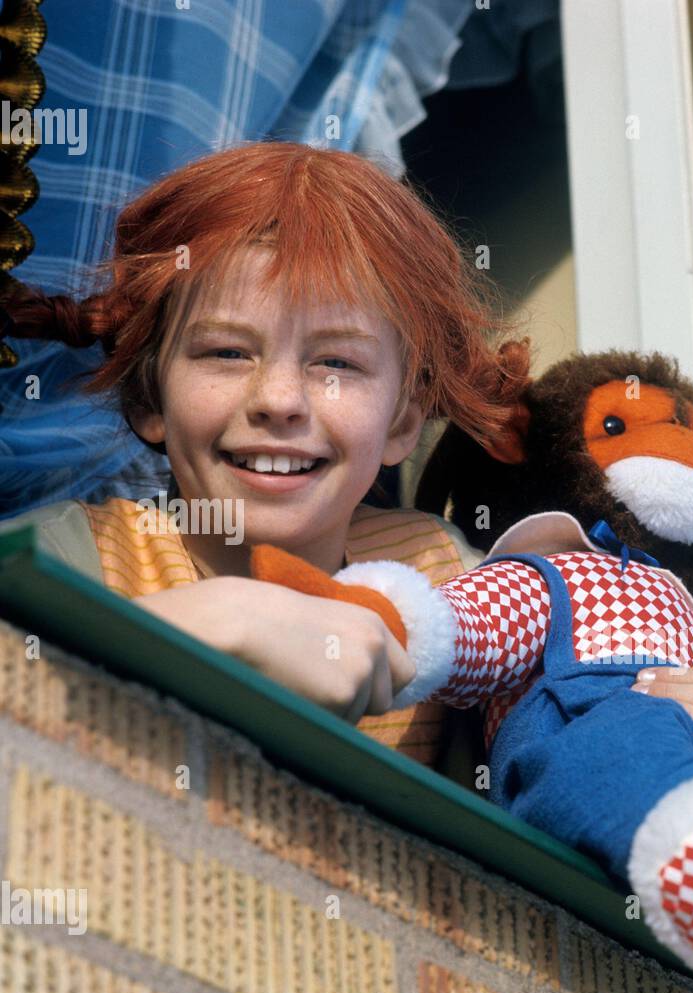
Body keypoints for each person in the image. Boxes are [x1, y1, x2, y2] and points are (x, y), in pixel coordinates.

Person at [0, 140, 527, 771]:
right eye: (226, 352)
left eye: (336, 362)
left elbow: (588, 652)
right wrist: (209, 624)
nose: (279, 401)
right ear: (149, 397)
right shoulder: (61, 563)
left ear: (403, 420)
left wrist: (663, 689)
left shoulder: (446, 578)